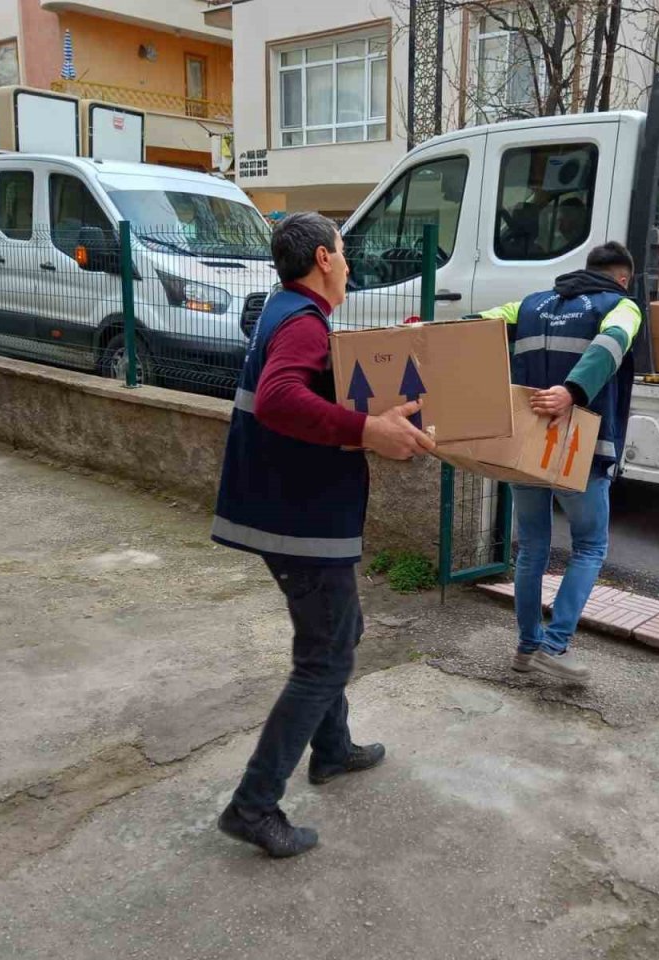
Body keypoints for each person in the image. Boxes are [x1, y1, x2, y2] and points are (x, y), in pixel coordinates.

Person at [211, 212, 435, 857]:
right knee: (327, 657)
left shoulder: (288, 313)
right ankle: (253, 806)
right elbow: (281, 398)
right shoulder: (302, 321)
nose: (349, 259)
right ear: (322, 258)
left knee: (341, 632)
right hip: (298, 519)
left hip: (290, 512)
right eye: (343, 249)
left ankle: (332, 748)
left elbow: (305, 389)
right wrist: (370, 431)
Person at [479, 242, 642, 683]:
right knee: (589, 546)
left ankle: (527, 646)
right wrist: (572, 390)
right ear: (623, 278)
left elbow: (473, 328)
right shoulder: (622, 306)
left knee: (532, 547)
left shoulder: (529, 305)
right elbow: (613, 343)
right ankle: (554, 646)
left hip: (524, 445)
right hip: (580, 447)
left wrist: (417, 334)